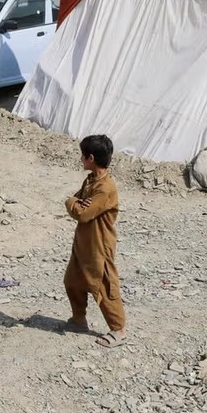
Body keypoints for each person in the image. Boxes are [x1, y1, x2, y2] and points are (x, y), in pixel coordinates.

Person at [63, 135, 127, 348]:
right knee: (73, 280)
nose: (80, 159)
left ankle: (118, 329)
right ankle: (78, 319)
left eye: (83, 156)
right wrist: (77, 202)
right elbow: (80, 203)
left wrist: (71, 201)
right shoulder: (91, 180)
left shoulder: (105, 188)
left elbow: (82, 212)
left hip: (99, 244)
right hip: (83, 241)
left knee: (103, 285)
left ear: (90, 158)